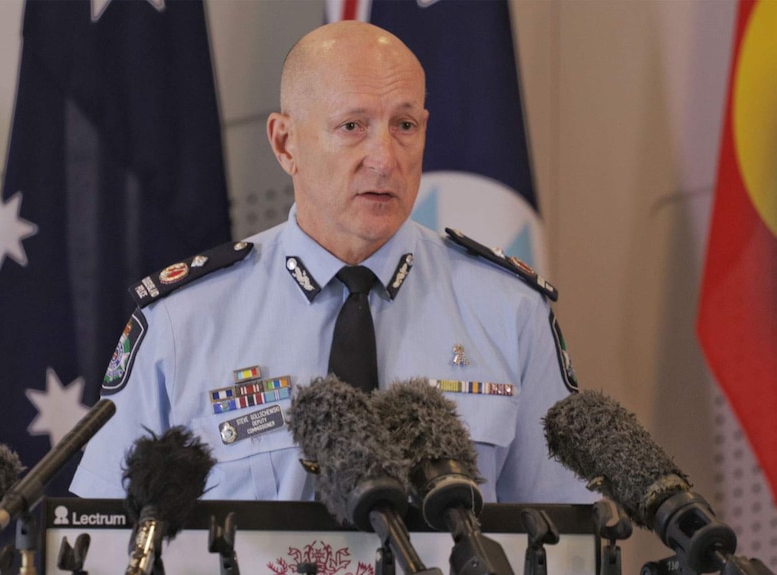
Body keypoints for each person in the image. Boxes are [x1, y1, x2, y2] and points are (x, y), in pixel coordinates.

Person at [70, 20, 592, 505]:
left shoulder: (509, 311)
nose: (385, 158)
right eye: (352, 126)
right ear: (285, 142)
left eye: (405, 125)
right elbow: (99, 539)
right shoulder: (183, 322)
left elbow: (570, 537)